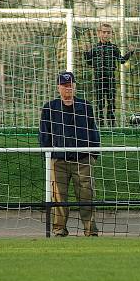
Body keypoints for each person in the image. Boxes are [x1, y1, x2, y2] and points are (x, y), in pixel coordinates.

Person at [38, 71, 101, 237]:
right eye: (64, 86)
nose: (68, 89)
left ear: (74, 86)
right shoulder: (49, 108)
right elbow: (44, 134)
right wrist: (46, 156)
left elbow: (93, 130)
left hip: (82, 159)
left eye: (70, 85)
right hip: (59, 160)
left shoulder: (85, 106)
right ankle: (59, 230)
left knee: (86, 195)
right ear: (58, 87)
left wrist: (94, 153)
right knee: (58, 196)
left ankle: (90, 230)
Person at [83, 23, 135, 127]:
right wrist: (86, 52)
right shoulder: (95, 48)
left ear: (112, 34)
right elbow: (89, 62)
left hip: (110, 78)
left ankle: (112, 124)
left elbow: (121, 60)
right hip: (98, 79)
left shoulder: (113, 48)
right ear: (99, 33)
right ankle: (100, 124)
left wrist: (130, 52)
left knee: (111, 102)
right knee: (99, 102)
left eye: (108, 32)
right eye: (104, 32)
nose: (106, 34)